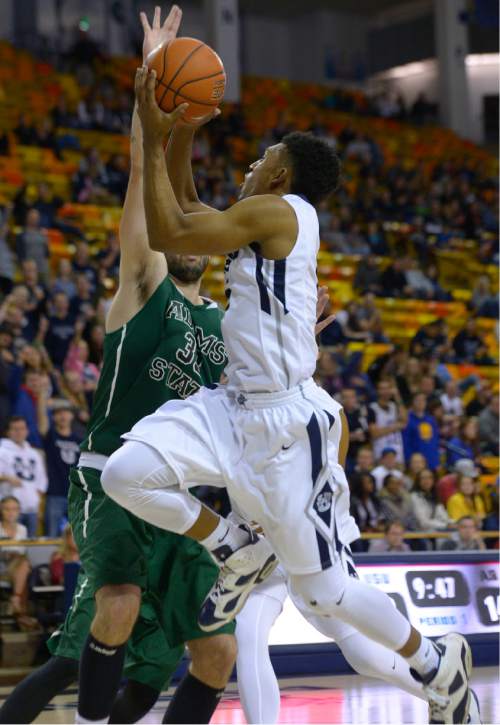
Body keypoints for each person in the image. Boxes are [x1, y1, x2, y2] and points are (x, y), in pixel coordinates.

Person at [102, 50, 474, 724]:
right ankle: (231, 543)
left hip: (281, 428)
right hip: (229, 407)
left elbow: (170, 227)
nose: (245, 171)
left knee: (327, 593)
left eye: (255, 161)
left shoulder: (283, 211)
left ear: (277, 173)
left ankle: (432, 658)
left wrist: (156, 133)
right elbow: (185, 204)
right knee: (124, 473)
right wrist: (182, 126)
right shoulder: (259, 221)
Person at [4, 10, 237, 725]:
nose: (186, 223)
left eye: (199, 216)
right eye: (180, 218)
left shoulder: (226, 329)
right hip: (111, 473)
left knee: (214, 654)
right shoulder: (144, 287)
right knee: (117, 603)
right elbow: (144, 183)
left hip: (180, 492)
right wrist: (151, 101)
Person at [37, 391, 82, 537]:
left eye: (66, 412)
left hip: (75, 496)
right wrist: (41, 399)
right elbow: (42, 422)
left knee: (77, 537)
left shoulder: (79, 440)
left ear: (72, 416)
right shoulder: (51, 436)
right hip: (55, 494)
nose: (63, 416)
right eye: (58, 413)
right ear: (54, 417)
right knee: (52, 537)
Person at [0, 416, 47, 536]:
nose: (19, 432)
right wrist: (7, 478)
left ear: (27, 431)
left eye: (22, 428)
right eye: (15, 429)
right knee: (9, 546)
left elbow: (41, 481)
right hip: (10, 510)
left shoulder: (34, 453)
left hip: (32, 508)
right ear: (8, 431)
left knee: (30, 547)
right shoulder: (2, 451)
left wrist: (38, 502)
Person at [0, 495, 38, 629]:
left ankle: (16, 602)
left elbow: (23, 550)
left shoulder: (23, 529)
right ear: (1, 510)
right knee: (24, 566)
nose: (11, 513)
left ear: (18, 511)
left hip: (17, 568)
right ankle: (22, 615)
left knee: (23, 564)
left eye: (14, 509)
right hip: (2, 567)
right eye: (7, 509)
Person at [368, 379, 406, 463]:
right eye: (382, 388)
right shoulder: (372, 408)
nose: (386, 391)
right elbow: (375, 433)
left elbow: (404, 422)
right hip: (381, 452)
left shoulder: (394, 406)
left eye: (388, 388)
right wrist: (395, 427)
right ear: (377, 391)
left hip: (397, 451)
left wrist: (397, 396)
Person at [402, 392, 440, 471]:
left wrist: (436, 461)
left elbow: (435, 441)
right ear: (412, 402)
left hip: (432, 461)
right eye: (418, 400)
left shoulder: (431, 420)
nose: (421, 403)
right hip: (416, 463)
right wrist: (409, 461)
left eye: (423, 400)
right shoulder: (407, 420)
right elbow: (406, 443)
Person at [410, 469, 450, 533]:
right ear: (418, 481)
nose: (427, 480)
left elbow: (444, 517)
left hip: (437, 530)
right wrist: (445, 525)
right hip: (420, 533)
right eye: (423, 478)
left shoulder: (434, 495)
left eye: (430, 477)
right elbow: (423, 522)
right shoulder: (414, 497)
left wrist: (456, 523)